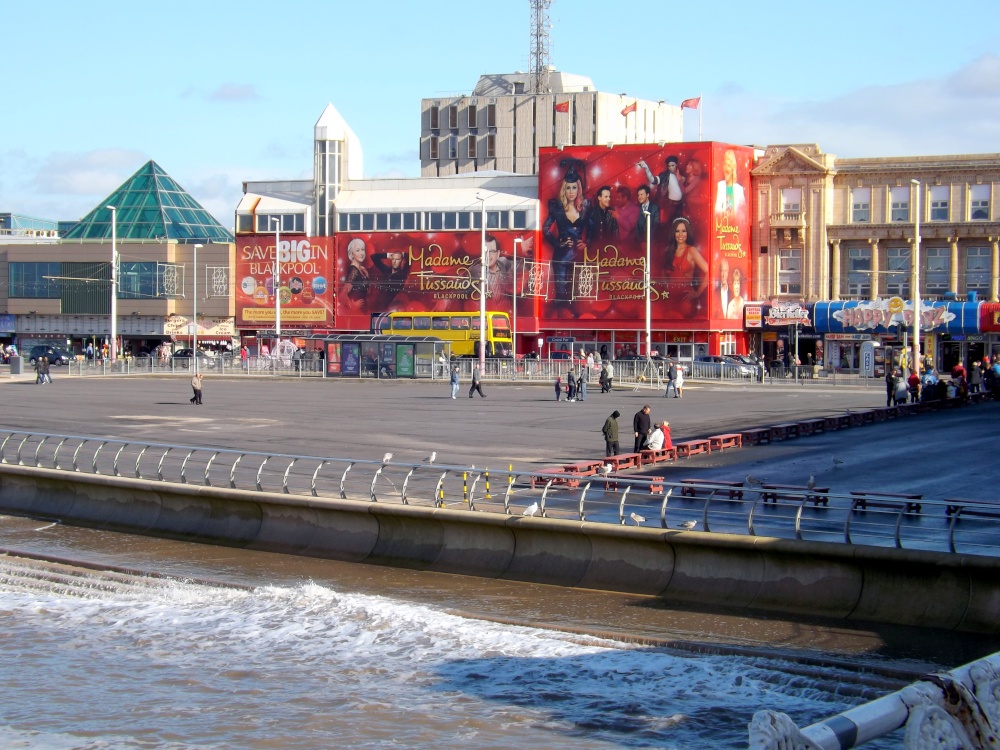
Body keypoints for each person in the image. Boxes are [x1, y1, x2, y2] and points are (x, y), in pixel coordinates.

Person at [542, 158, 589, 304]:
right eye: (568, 188)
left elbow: (592, 226)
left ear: (578, 188)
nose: (571, 192)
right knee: (562, 296)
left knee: (577, 296)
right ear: (564, 189)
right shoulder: (557, 207)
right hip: (561, 257)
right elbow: (545, 229)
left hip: (579, 257)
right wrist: (558, 244)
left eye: (574, 187)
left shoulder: (585, 208)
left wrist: (587, 242)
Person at [667, 217, 709, 316]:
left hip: (685, 301)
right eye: (677, 231)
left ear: (688, 233)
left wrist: (697, 293)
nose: (680, 234)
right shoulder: (670, 251)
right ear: (673, 233)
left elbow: (709, 271)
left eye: (683, 231)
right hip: (669, 299)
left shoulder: (691, 250)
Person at [469, 234, 514, 314]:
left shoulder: (505, 263)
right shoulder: (474, 271)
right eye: (485, 251)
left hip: (506, 316)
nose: (487, 255)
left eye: (492, 251)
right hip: (485, 317)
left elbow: (521, 264)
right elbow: (459, 288)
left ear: (498, 254)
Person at [639, 154, 684, 223]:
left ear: (676, 164)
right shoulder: (664, 175)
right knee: (667, 224)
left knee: (679, 223)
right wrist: (646, 168)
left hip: (680, 205)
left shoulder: (681, 174)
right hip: (669, 205)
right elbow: (653, 180)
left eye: (673, 165)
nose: (671, 168)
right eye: (669, 166)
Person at [714, 149, 747, 221]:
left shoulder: (739, 189)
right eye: (724, 165)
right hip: (722, 224)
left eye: (728, 165)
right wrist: (724, 213)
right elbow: (716, 210)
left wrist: (734, 215)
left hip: (735, 225)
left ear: (733, 169)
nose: (726, 168)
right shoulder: (720, 186)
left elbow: (744, 213)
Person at [339, 238, 370, 311]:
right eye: (357, 250)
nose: (361, 253)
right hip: (357, 312)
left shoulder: (362, 270)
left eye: (362, 249)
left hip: (363, 310)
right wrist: (351, 305)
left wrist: (367, 276)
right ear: (352, 254)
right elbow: (342, 295)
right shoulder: (354, 270)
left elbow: (368, 291)